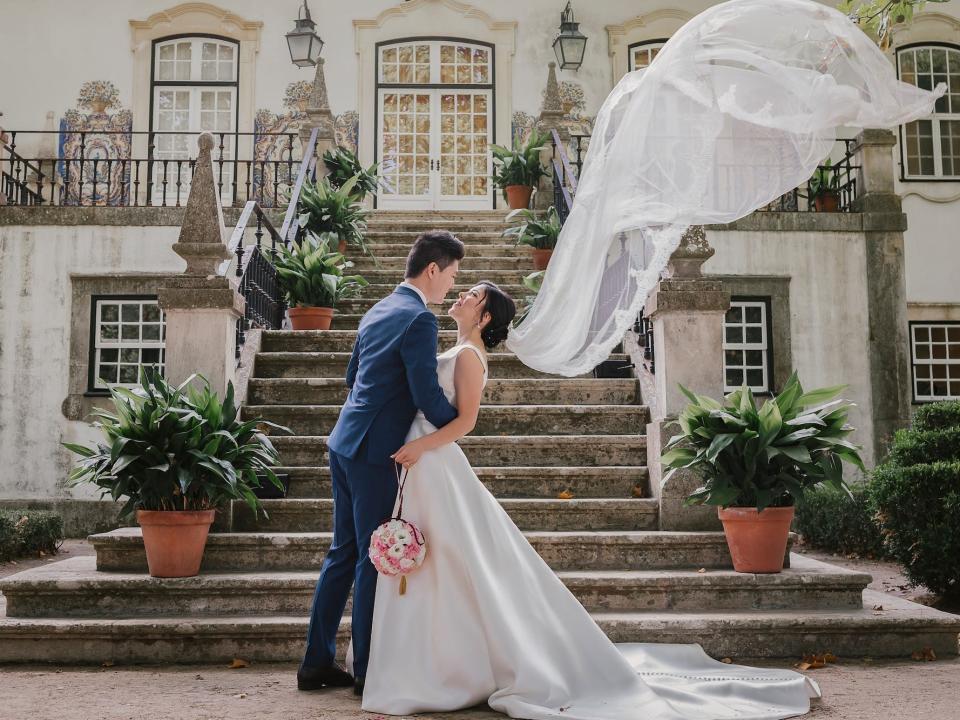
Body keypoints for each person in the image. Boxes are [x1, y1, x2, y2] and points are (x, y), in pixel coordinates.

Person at [360, 280, 820, 719]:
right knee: (445, 565)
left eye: (473, 294)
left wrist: (421, 445)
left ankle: (442, 669)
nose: (462, 295)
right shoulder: (459, 349)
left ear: (483, 317)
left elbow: (466, 423)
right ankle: (437, 662)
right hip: (426, 465)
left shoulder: (467, 356)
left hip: (433, 460)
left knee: (447, 563)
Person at [297, 230, 464, 696]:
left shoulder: (379, 308)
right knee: (372, 556)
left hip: (344, 440)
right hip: (374, 453)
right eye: (452, 275)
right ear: (433, 269)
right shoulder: (420, 320)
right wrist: (458, 424)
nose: (451, 285)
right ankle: (367, 671)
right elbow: (426, 392)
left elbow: (352, 377)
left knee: (342, 553)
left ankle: (315, 664)